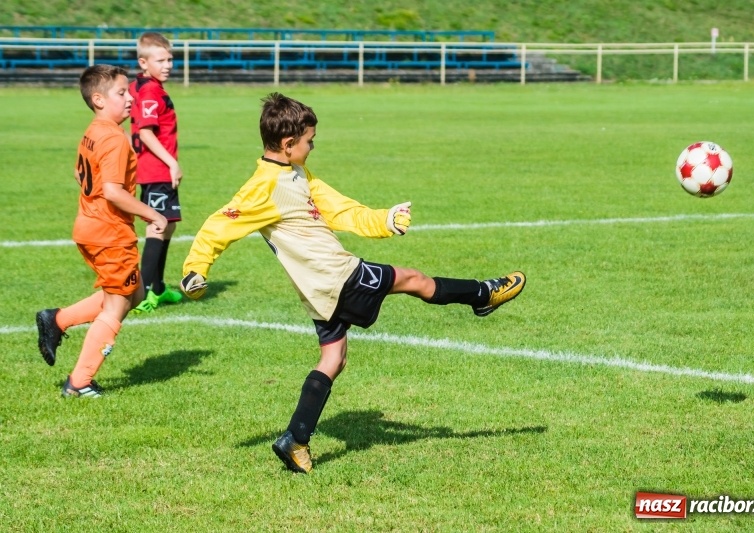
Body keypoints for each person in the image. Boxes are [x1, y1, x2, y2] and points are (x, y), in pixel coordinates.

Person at [180, 92, 526, 473]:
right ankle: (483, 294)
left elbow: (339, 208)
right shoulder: (264, 186)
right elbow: (218, 225)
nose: (313, 146)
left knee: (334, 358)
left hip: (317, 291)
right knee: (413, 279)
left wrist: (383, 220)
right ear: (287, 143)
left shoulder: (297, 175)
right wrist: (196, 268)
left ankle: (295, 440)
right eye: (310, 140)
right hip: (338, 275)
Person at [35, 64, 168, 397]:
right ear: (98, 99)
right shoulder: (113, 138)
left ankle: (57, 320)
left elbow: (80, 175)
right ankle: (79, 383)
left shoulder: (93, 131)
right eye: (122, 93)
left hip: (90, 227)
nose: (130, 99)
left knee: (134, 294)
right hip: (109, 234)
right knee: (117, 305)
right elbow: (112, 191)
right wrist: (152, 214)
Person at [129, 31, 184, 312]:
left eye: (170, 59)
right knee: (158, 225)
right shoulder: (150, 91)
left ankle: (159, 288)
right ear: (143, 62)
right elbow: (146, 132)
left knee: (168, 223)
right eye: (160, 60)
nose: (168, 65)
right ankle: (146, 292)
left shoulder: (140, 86)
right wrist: (172, 162)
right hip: (156, 170)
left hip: (154, 170)